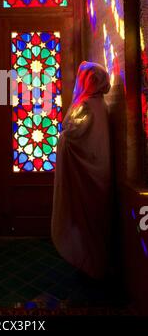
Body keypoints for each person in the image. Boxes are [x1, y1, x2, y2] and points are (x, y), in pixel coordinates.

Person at [51, 61, 112, 280]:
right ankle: (94, 263)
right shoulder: (100, 104)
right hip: (98, 168)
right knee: (95, 219)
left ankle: (90, 264)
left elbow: (72, 132)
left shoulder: (87, 105)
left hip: (88, 172)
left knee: (87, 218)